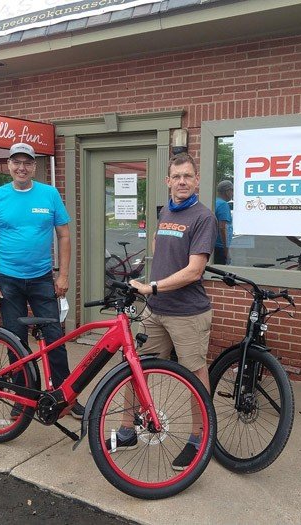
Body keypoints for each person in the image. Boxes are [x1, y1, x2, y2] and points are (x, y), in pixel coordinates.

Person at [110, 153, 217, 470]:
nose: (182, 181)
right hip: (156, 310)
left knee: (195, 376)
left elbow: (194, 271)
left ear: (197, 180)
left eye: (188, 176)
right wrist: (148, 280)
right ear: (168, 181)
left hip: (188, 312)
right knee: (133, 367)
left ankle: (199, 438)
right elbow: (160, 248)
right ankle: (129, 430)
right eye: (177, 176)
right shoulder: (167, 211)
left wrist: (152, 287)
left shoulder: (204, 217)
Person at [0, 143, 83, 419]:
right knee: (16, 340)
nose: (21, 167)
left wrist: (63, 275)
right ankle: (23, 397)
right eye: (16, 162)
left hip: (41, 279)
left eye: (27, 163)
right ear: (8, 165)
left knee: (54, 338)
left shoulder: (49, 195)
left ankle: (65, 396)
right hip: (8, 280)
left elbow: (64, 235)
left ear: (34, 167)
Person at [214, 179, 233, 264]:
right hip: (220, 247)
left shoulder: (214, 202)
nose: (233, 193)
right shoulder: (223, 204)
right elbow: (222, 227)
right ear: (227, 191)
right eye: (232, 190)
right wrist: (226, 250)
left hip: (213, 245)